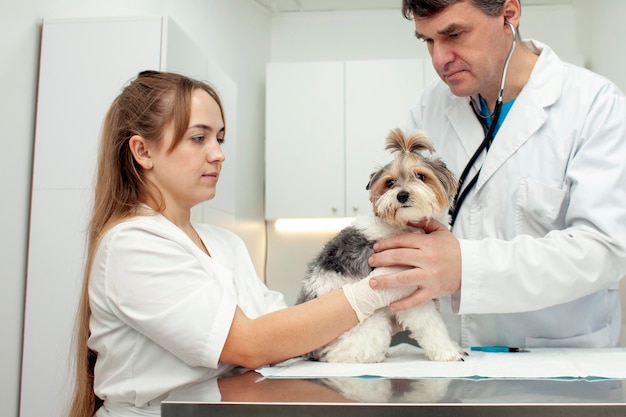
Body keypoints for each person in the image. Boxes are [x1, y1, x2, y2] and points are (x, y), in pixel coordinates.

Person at [68, 70, 413, 417]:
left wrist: (386, 312)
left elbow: (284, 333)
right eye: (198, 138)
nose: (218, 154)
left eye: (219, 138)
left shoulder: (224, 242)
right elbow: (250, 345)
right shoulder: (132, 245)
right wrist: (378, 289)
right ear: (143, 151)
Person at [368, 0, 626, 349]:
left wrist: (467, 268)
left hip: (557, 361)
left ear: (509, 13)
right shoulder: (430, 107)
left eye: (454, 34)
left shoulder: (594, 104)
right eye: (427, 41)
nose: (440, 59)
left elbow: (605, 249)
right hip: (452, 356)